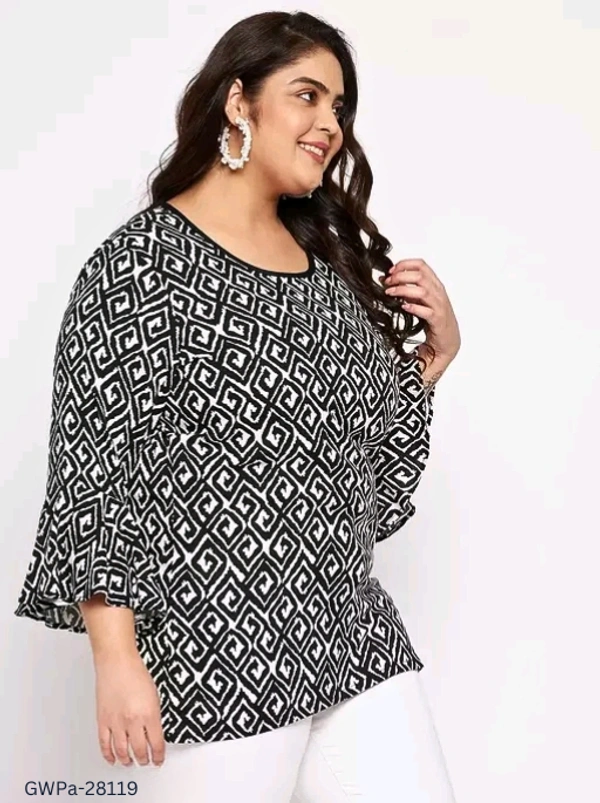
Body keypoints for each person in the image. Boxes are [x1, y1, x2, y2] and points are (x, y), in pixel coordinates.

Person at [13, 10, 461, 802]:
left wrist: (433, 363)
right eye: (307, 95)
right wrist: (116, 658)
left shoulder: (326, 275)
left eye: (339, 107)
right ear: (237, 101)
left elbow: (373, 490)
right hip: (217, 650)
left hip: (353, 638)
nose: (330, 124)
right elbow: (95, 474)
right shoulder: (143, 266)